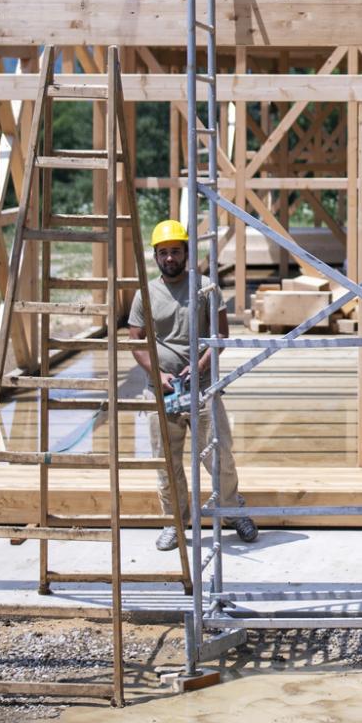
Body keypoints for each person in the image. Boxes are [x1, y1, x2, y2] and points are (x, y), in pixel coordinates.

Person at [127, 218, 256, 547]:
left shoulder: (205, 287)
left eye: (175, 251)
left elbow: (221, 334)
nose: (170, 258)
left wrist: (199, 366)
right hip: (162, 393)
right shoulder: (146, 293)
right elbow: (136, 340)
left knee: (218, 455)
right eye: (163, 252)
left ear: (186, 253)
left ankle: (232, 511)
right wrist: (158, 374)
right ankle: (175, 521)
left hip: (204, 390)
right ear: (156, 256)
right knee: (166, 460)